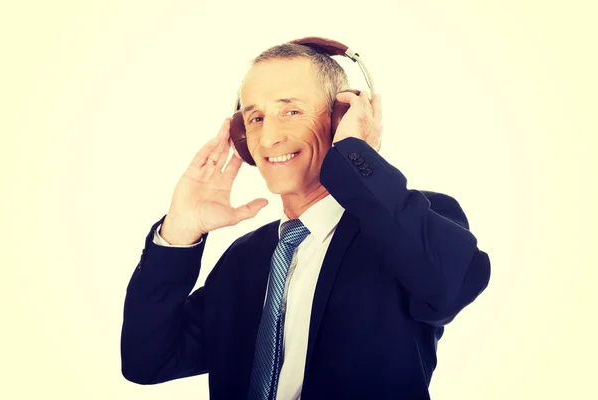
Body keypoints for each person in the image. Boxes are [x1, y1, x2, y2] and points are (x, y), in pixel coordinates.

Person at [120, 39, 491, 400]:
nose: (268, 138)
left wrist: (358, 159)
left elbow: (449, 288)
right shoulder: (244, 259)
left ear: (341, 117)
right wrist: (180, 231)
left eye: (291, 111)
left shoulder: (407, 224)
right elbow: (147, 361)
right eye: (256, 118)